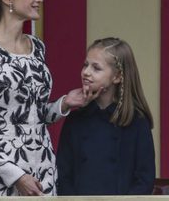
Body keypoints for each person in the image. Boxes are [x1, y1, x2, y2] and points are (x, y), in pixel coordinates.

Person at [0, 0, 100, 196]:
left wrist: (64, 103)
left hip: (42, 169)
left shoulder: (37, 48)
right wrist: (15, 174)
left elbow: (34, 116)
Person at [57, 37, 155, 195]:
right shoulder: (75, 120)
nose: (86, 72)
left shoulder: (136, 122)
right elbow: (63, 175)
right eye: (85, 65)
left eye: (96, 68)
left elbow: (145, 179)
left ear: (116, 77)